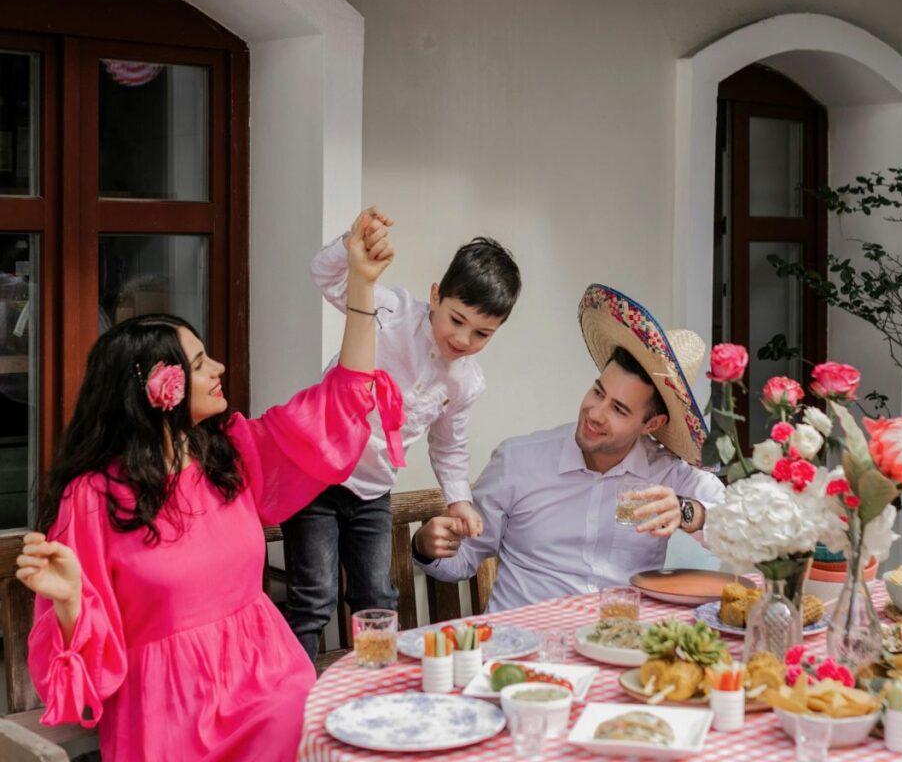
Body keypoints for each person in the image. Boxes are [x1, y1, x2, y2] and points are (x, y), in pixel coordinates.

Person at [14, 214, 399, 761]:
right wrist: (73, 601)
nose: (219, 367)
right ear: (158, 392)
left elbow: (337, 405)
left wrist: (362, 286)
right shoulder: (92, 496)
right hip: (169, 711)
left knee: (338, 736)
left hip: (270, 686)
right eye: (199, 363)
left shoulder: (233, 453)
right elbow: (81, 675)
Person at [283, 209, 522, 659]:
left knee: (377, 597)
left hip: (373, 493)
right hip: (316, 478)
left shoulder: (465, 382)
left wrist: (459, 500)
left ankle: (378, 688)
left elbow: (449, 444)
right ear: (435, 295)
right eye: (456, 320)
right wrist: (352, 246)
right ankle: (293, 695)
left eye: (482, 334)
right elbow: (325, 276)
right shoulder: (390, 311)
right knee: (314, 597)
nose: (464, 339)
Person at [412, 283, 725, 612]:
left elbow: (743, 525)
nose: (595, 413)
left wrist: (689, 512)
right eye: (598, 391)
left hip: (620, 645)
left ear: (651, 425)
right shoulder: (518, 461)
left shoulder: (667, 473)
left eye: (619, 409)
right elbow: (461, 561)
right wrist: (425, 545)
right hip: (524, 646)